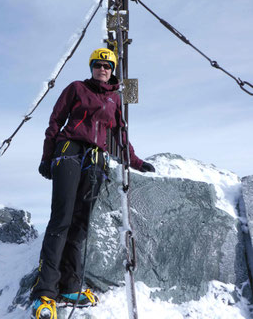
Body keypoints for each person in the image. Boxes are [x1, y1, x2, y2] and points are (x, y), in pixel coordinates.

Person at [30, 48, 155, 319]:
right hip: (70, 152)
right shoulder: (76, 88)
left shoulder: (114, 99)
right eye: (98, 65)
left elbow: (120, 134)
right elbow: (55, 121)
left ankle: (70, 287)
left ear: (112, 70)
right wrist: (47, 156)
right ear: (91, 68)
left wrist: (135, 161)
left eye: (108, 66)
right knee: (61, 220)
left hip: (95, 161)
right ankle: (45, 292)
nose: (103, 69)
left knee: (81, 225)